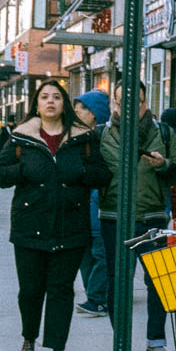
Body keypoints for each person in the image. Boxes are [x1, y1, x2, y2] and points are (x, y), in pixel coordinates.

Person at [0, 79, 106, 351]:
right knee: (30, 290)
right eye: (44, 97)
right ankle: (28, 339)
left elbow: (103, 175)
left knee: (62, 291)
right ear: (37, 104)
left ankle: (58, 350)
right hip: (30, 226)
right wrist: (24, 169)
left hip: (71, 227)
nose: (50, 101)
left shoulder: (83, 138)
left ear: (64, 103)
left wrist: (80, 170)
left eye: (56, 96)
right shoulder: (21, 137)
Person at [100, 95, 176, 351]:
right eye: (121, 100)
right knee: (117, 283)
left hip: (152, 217)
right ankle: (120, 342)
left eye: (135, 101)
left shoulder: (163, 132)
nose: (128, 106)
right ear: (114, 104)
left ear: (146, 103)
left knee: (159, 281)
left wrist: (165, 165)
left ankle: (155, 343)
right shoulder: (101, 133)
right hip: (114, 217)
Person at [74, 92, 112, 317]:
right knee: (87, 253)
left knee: (99, 253)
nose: (77, 112)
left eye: (81, 108)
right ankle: (94, 296)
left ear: (95, 113)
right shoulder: (80, 135)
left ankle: (97, 298)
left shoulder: (100, 136)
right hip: (85, 207)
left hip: (97, 206)